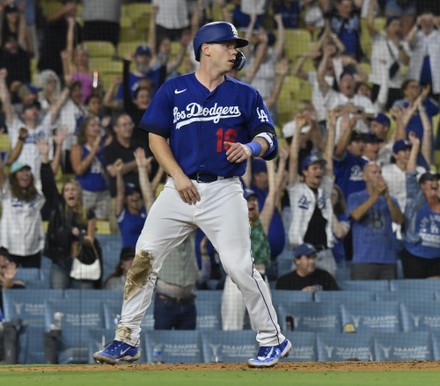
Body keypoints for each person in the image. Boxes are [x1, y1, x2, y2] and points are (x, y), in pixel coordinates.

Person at [93, 21, 290, 368]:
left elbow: (270, 139)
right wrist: (178, 176)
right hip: (178, 189)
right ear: (206, 49)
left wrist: (250, 147)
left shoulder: (245, 94)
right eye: (228, 44)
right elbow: (156, 138)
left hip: (224, 190)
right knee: (144, 256)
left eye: (235, 46)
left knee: (239, 266)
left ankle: (272, 339)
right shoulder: (174, 90)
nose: (235, 50)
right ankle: (126, 340)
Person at [41, 138, 100, 289]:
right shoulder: (58, 208)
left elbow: (90, 240)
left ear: (79, 193)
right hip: (60, 263)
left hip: (82, 263)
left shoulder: (89, 214)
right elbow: (48, 185)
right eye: (67, 190)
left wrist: (78, 235)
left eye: (73, 189)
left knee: (85, 304)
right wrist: (44, 158)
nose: (70, 193)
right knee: (58, 303)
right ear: (63, 194)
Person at [287, 110, 337, 278]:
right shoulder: (296, 189)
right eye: (314, 168)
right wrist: (297, 129)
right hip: (301, 254)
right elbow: (293, 158)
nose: (319, 171)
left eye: (320, 168)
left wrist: (332, 127)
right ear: (305, 173)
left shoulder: (325, 188)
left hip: (325, 253)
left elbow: (329, 157)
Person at [347, 162, 404, 280]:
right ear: (365, 177)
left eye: (380, 172)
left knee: (389, 297)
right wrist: (376, 195)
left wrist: (387, 197)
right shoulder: (355, 197)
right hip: (364, 259)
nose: (378, 176)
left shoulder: (392, 199)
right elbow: (356, 215)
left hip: (388, 259)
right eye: (374, 173)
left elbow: (399, 220)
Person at [401, 134, 440, 278]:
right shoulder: (415, 199)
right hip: (415, 255)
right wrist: (415, 146)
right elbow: (410, 173)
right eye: (429, 180)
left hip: (437, 258)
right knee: (416, 294)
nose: (434, 183)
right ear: (422, 186)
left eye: (436, 180)